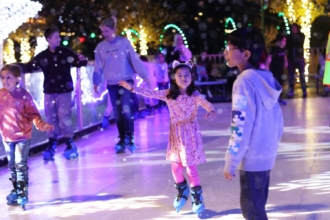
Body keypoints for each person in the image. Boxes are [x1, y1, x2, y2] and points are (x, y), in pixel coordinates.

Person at [119, 60, 216, 214]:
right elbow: (149, 93)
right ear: (173, 78)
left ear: (192, 77)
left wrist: (211, 111)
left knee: (191, 168)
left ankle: (197, 197)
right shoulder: (169, 95)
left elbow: (207, 104)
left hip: (190, 134)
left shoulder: (195, 95)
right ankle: (182, 189)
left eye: (186, 75)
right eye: (179, 75)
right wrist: (131, 88)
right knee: (176, 167)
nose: (183, 78)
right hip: (176, 135)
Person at [223, 27, 284, 219]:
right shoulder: (266, 80)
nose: (226, 52)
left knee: (252, 213)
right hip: (265, 156)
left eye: (230, 47)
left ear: (246, 54)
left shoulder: (243, 83)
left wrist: (231, 160)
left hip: (251, 160)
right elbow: (279, 121)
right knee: (258, 210)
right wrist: (271, 146)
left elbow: (240, 125)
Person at [18, 27, 87, 161]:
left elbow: (79, 62)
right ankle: (51, 144)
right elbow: (30, 66)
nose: (58, 39)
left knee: (64, 117)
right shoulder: (43, 56)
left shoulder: (65, 52)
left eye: (58, 37)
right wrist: (15, 68)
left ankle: (69, 144)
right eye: (56, 37)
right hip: (49, 92)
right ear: (49, 39)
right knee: (51, 118)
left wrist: (83, 59)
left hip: (64, 91)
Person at [93, 16, 150, 154]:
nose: (104, 34)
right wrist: (96, 82)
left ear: (114, 30)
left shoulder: (124, 43)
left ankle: (130, 138)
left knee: (126, 110)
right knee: (117, 114)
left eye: (106, 31)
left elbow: (135, 61)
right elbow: (98, 67)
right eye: (102, 31)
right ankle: (122, 138)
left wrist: (146, 76)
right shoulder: (101, 47)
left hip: (126, 82)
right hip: (112, 84)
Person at [0, 64, 54, 209]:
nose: (5, 81)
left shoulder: (24, 95)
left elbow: (33, 114)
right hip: (6, 137)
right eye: (3, 78)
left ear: (17, 78)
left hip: (22, 137)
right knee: (12, 165)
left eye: (9, 77)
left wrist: (42, 125)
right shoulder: (1, 95)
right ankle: (16, 190)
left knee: (21, 165)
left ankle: (22, 192)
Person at [266, 34, 288, 105]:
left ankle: (279, 98)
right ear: (279, 41)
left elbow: (284, 56)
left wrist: (286, 62)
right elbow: (269, 57)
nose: (285, 42)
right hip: (274, 68)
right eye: (283, 41)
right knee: (275, 84)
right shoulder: (274, 49)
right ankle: (274, 99)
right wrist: (267, 66)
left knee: (281, 84)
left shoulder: (283, 49)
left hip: (281, 69)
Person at [286, 23, 307, 98]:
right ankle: (291, 90)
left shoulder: (301, 35)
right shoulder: (289, 36)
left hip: (299, 58)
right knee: (291, 75)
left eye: (295, 28)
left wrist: (293, 41)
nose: (293, 29)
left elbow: (299, 43)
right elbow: (288, 45)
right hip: (291, 58)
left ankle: (304, 90)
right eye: (292, 28)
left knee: (302, 75)